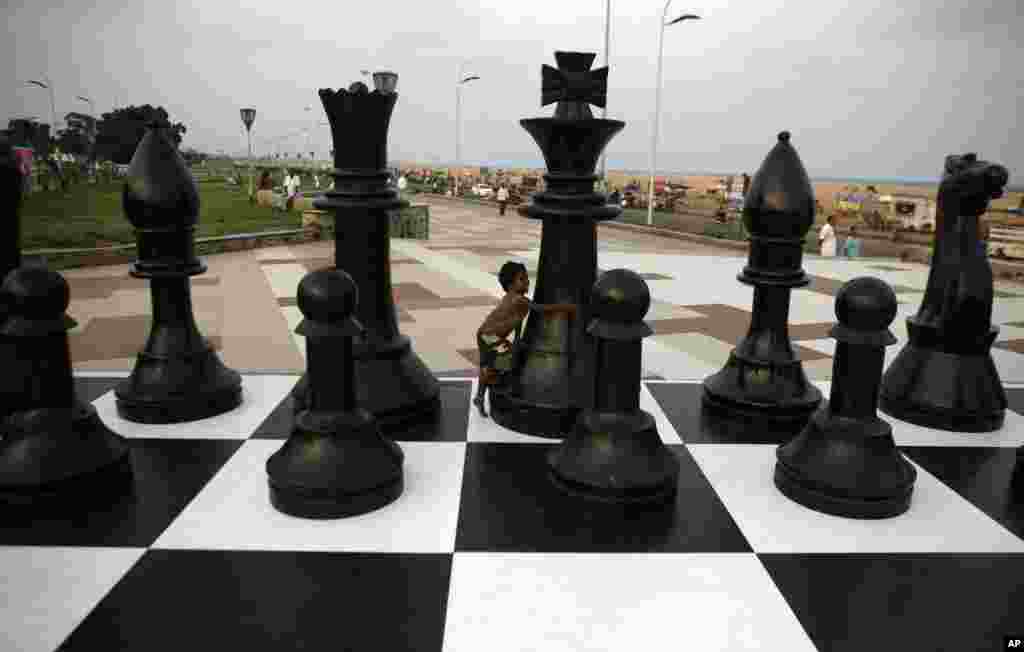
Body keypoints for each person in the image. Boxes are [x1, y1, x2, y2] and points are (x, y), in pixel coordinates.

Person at [473, 261, 577, 418]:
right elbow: (542, 309)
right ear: (510, 285)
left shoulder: (517, 300)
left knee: (492, 364)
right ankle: (492, 386)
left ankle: (480, 396)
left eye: (527, 278)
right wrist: (566, 308)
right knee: (504, 361)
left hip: (487, 335)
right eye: (522, 279)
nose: (527, 281)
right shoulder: (519, 300)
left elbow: (517, 321)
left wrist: (517, 340)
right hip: (490, 337)